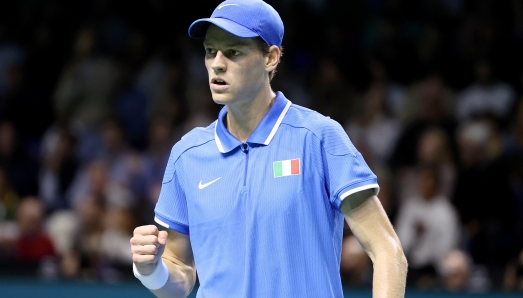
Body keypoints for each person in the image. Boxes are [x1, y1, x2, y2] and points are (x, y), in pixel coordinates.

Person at [130, 1, 407, 297]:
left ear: (271, 58)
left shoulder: (318, 137)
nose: (217, 63)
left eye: (233, 52)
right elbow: (181, 276)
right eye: (211, 51)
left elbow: (387, 250)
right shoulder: (187, 154)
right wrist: (151, 270)